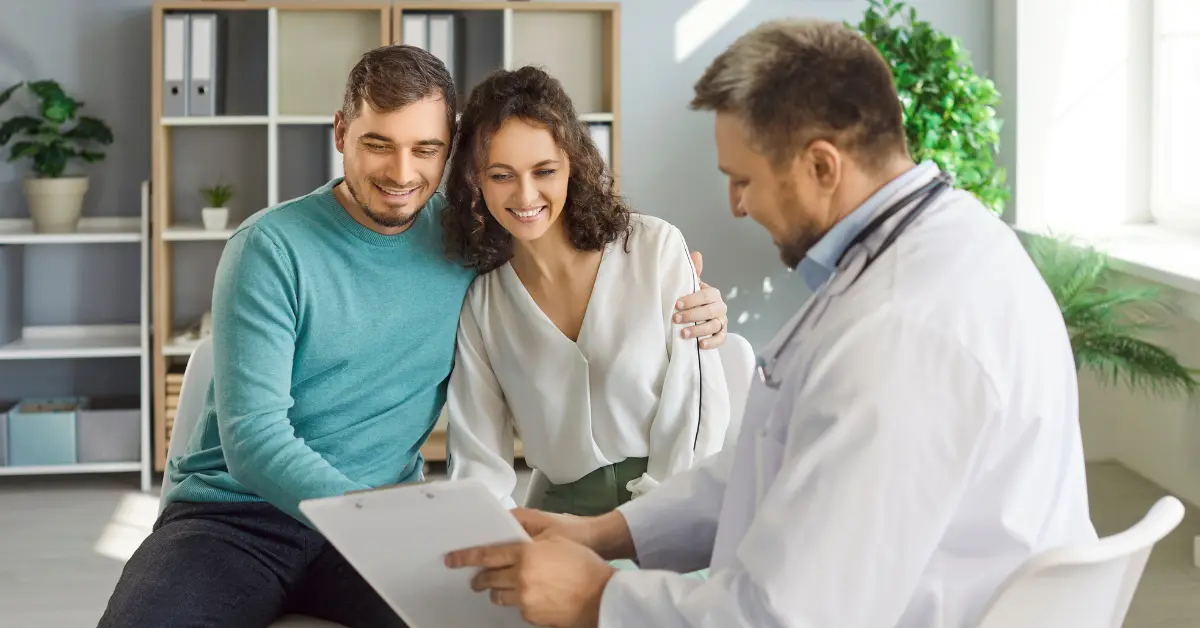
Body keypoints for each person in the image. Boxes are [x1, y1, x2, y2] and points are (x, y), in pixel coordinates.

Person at [445, 18, 1097, 628]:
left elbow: (782, 616)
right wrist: (608, 533)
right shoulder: (955, 243)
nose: (734, 206)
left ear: (821, 166)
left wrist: (598, 596)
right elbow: (769, 465)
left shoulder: (899, 332)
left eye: (743, 179)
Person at [98, 45, 728, 628]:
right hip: (235, 521)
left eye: (425, 149)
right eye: (378, 143)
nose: (402, 172)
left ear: (450, 151)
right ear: (341, 133)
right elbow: (253, 440)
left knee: (498, 618)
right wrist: (382, 521)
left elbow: (578, 256)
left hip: (380, 519)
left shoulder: (468, 242)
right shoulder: (269, 248)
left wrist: (697, 299)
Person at [440, 65, 730, 515]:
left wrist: (650, 529)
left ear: (572, 164)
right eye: (501, 175)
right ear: (474, 180)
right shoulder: (483, 304)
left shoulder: (654, 248)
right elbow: (478, 464)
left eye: (544, 170)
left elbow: (695, 413)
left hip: (671, 510)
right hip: (558, 523)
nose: (525, 194)